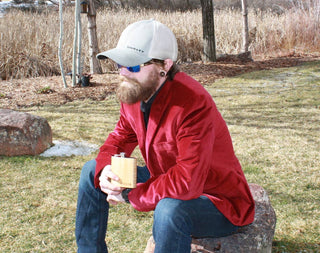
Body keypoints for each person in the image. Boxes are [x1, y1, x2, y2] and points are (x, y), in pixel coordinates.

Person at [75, 19, 255, 253]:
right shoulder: (136, 91)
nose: (122, 73)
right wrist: (105, 172)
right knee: (91, 171)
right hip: (167, 175)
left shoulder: (193, 103)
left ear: (165, 66)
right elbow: (120, 137)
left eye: (134, 66)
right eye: (119, 64)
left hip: (216, 198)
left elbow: (187, 182)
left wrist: (132, 194)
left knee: (169, 209)